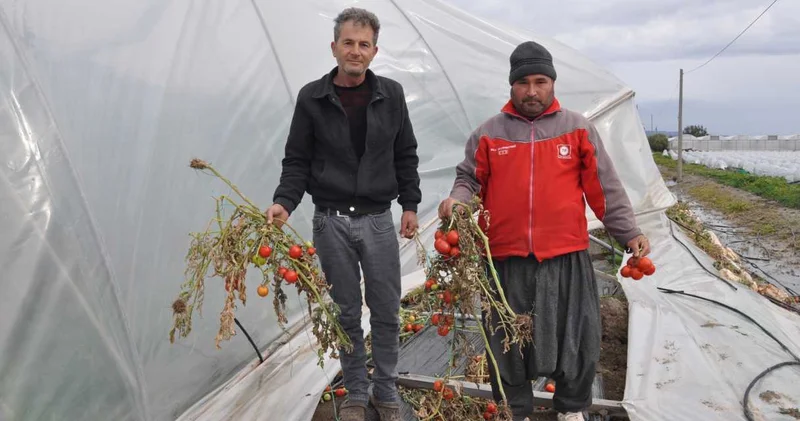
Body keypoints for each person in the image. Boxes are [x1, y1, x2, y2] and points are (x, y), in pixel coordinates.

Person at [438, 41, 651, 421]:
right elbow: (468, 180)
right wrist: (457, 200)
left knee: (577, 340)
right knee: (507, 345)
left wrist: (628, 232)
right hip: (506, 262)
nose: (532, 91)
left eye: (540, 81)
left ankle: (570, 410)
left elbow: (604, 188)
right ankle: (515, 410)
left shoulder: (577, 129)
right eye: (523, 82)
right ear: (511, 85)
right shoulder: (489, 134)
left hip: (565, 258)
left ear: (552, 83)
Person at [265, 7, 421, 421]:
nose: (355, 51)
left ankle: (385, 392)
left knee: (386, 309)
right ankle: (355, 392)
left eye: (364, 44)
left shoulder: (391, 95)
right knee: (345, 311)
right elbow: (297, 159)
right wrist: (284, 201)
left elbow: (405, 153)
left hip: (377, 220)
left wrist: (410, 204)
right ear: (334, 47)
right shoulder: (312, 98)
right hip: (329, 221)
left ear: (374, 51)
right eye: (348, 43)